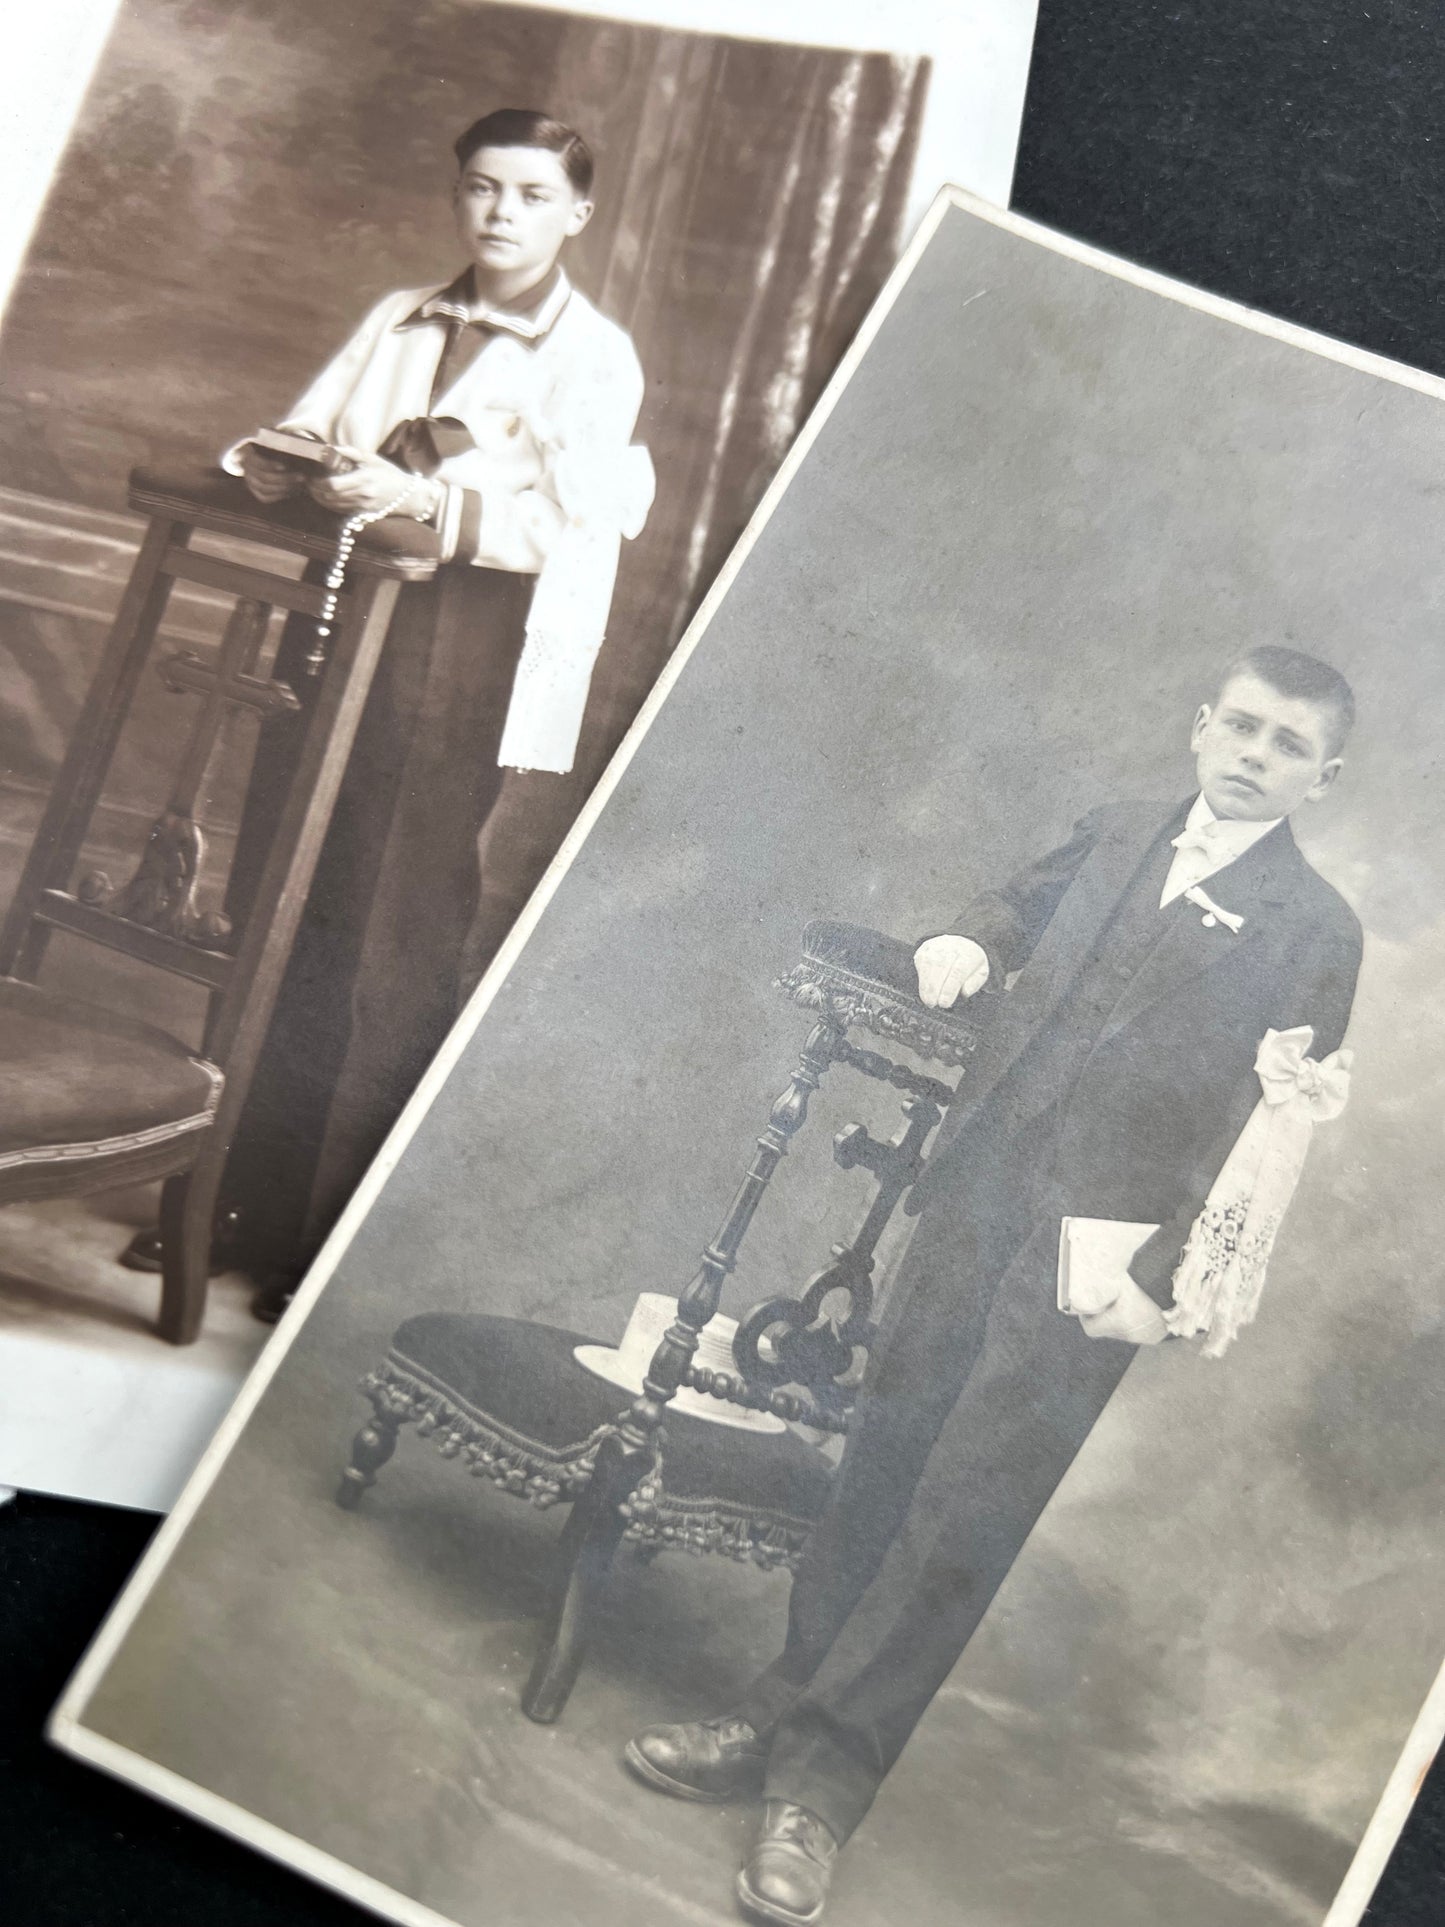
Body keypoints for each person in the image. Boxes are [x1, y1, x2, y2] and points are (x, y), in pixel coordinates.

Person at [624, 646, 1363, 1927]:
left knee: (967, 1504)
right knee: (883, 1455)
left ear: (1322, 776)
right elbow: (1018, 905)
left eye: (1284, 745)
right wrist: (971, 938)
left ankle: (824, 1788)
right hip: (973, 1190)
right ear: (1198, 727)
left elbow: (1261, 1131)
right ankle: (771, 1708)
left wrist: (1168, 1275)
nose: (1251, 755)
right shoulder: (1121, 828)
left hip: (1097, 1256)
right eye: (1237, 727)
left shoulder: (1316, 931)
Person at [122, 109, 653, 1315]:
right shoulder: (399, 318)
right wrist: (311, 463)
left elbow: (568, 529)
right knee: (284, 896)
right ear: (455, 199)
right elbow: (315, 425)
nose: (499, 214)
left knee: (390, 925)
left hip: (455, 644)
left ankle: (325, 1226)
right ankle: (230, 1194)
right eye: (479, 188)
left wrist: (418, 495)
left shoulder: (594, 354)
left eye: (528, 194)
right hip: (340, 616)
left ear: (576, 213)